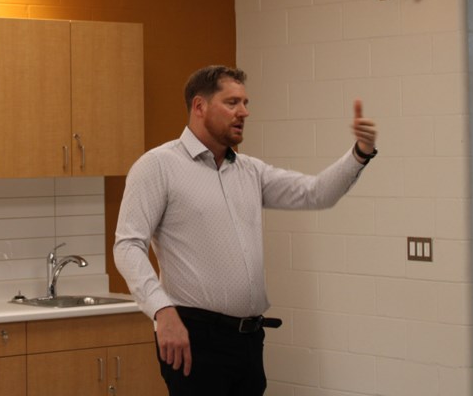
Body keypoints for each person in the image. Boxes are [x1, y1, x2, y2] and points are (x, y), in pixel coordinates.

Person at [113, 65, 378, 396]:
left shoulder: (251, 171)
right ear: (199, 106)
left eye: (245, 102)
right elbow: (127, 245)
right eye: (232, 102)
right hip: (194, 336)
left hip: (249, 340)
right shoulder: (158, 166)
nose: (244, 112)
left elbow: (316, 193)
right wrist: (161, 311)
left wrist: (360, 154)